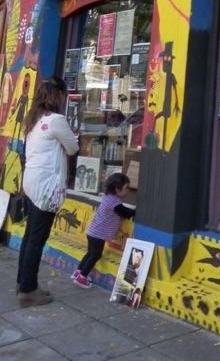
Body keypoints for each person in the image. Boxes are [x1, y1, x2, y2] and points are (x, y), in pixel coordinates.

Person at [16, 76, 79, 307]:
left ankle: (24, 283)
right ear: (59, 96)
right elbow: (73, 148)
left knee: (30, 235)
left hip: (32, 182)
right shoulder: (56, 120)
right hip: (46, 187)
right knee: (37, 239)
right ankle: (28, 290)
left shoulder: (33, 118)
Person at [72, 172, 135, 289]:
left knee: (89, 254)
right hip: (98, 235)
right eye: (126, 188)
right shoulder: (114, 203)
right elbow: (126, 212)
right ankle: (82, 278)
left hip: (92, 232)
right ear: (117, 189)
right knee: (95, 255)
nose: (128, 191)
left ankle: (78, 272)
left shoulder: (107, 196)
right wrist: (136, 211)